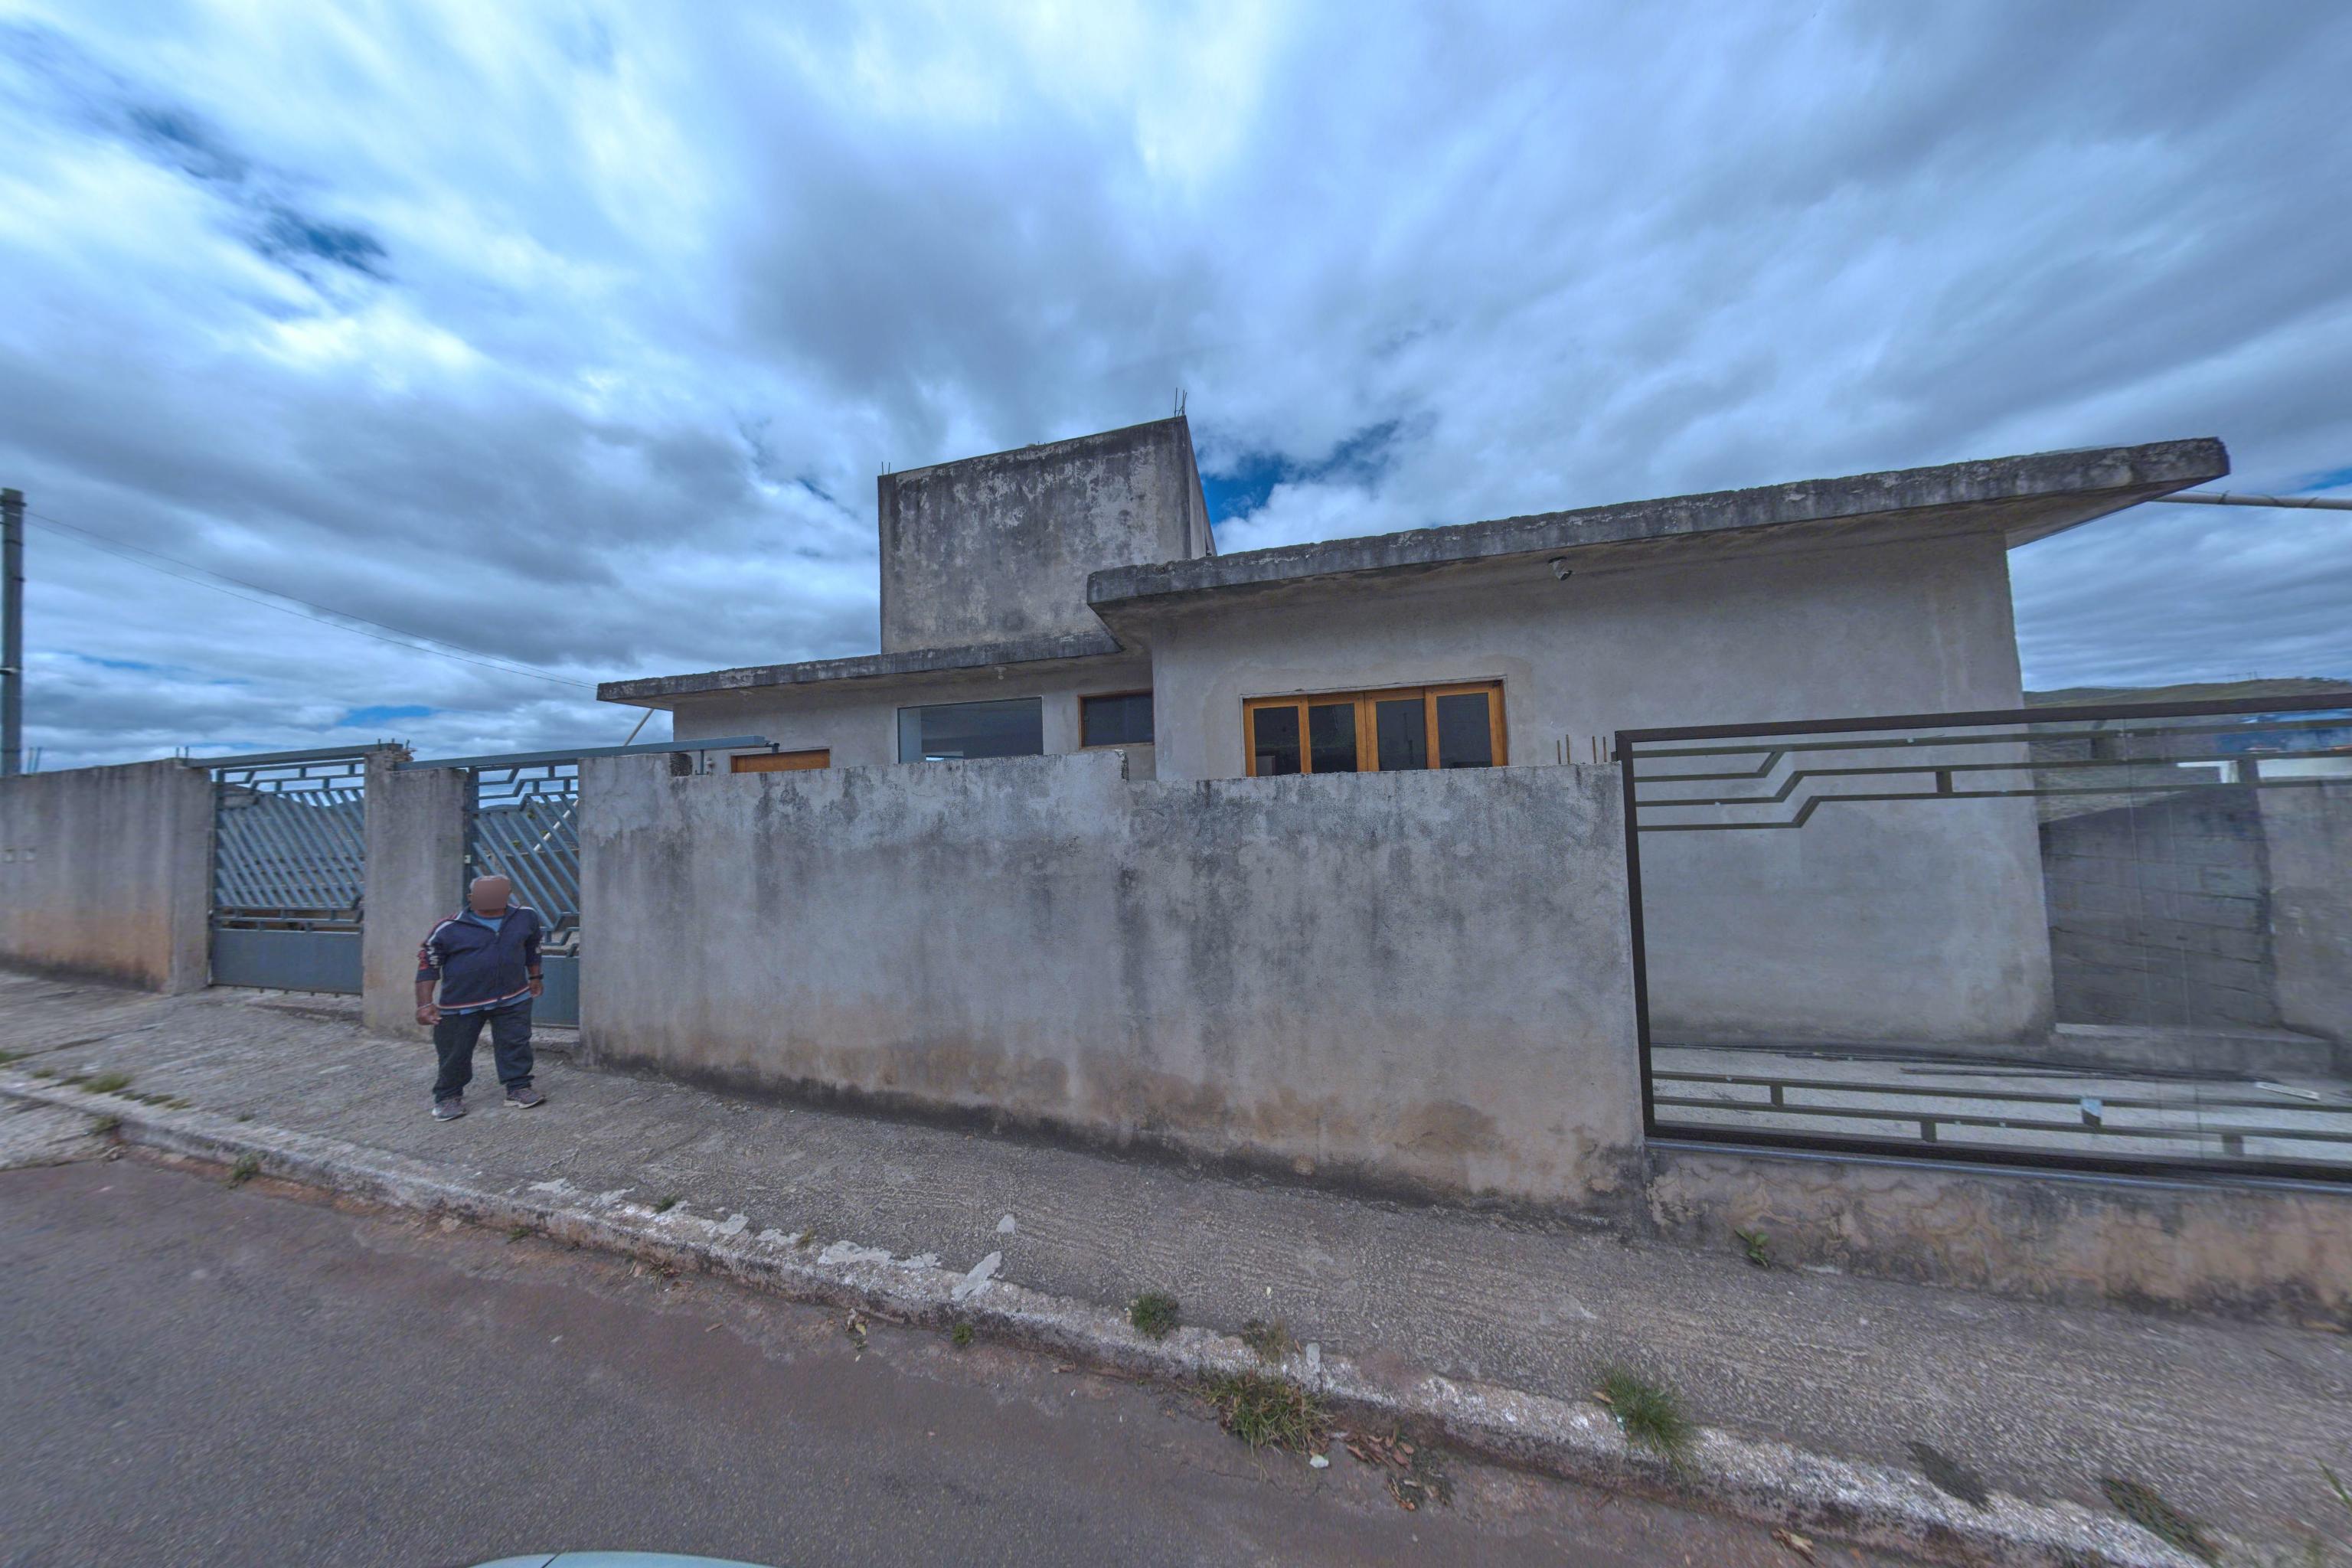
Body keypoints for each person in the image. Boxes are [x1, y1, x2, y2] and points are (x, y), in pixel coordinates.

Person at [416, 874, 547, 1119]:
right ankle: (448, 1096)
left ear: (507, 894)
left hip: (514, 997)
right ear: (471, 897)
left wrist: (535, 977)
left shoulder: (525, 917)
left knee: (516, 1043)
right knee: (455, 1052)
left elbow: (533, 946)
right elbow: (428, 965)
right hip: (461, 1004)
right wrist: (424, 1004)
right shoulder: (448, 928)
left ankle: (518, 1087)